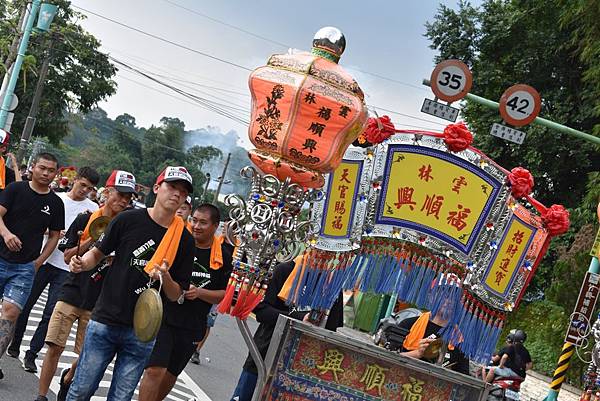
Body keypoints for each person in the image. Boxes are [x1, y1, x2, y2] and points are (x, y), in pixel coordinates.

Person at [66, 166, 195, 401]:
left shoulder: (185, 240)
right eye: (172, 187)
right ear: (157, 188)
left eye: (183, 192)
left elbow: (177, 294)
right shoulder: (128, 219)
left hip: (142, 330)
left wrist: (165, 277)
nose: (177, 194)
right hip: (106, 319)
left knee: (121, 397)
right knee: (82, 389)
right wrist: (81, 263)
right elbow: (97, 253)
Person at [35, 170, 137, 401]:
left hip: (100, 302)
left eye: (127, 198)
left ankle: (68, 377)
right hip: (72, 291)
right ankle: (41, 396)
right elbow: (67, 255)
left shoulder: (129, 228)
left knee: (86, 357)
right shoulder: (85, 218)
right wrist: (94, 237)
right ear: (107, 192)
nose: (123, 201)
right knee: (54, 347)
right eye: (119, 195)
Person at [7, 167, 100, 373]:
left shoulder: (94, 210)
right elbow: (37, 225)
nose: (85, 190)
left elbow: (95, 239)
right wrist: (56, 234)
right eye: (82, 184)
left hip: (66, 269)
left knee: (50, 314)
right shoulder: (56, 199)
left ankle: (32, 354)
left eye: (90, 188)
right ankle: (15, 343)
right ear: (74, 180)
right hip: (42, 260)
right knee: (25, 304)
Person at [139, 203, 233, 401]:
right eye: (194, 220)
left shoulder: (223, 257)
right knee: (154, 370)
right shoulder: (179, 242)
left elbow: (225, 294)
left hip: (193, 324)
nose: (197, 226)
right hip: (165, 317)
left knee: (170, 374)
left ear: (215, 226)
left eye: (203, 223)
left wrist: (200, 292)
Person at [230, 260, 344, 401]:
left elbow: (331, 331)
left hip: (303, 370)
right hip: (265, 356)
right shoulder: (285, 270)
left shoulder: (333, 285)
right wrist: (300, 317)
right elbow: (262, 311)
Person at [0, 152, 64, 380]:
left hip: (25, 267)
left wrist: (38, 262)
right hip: (0, 257)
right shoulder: (15, 190)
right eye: (43, 168)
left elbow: (55, 236)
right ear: (33, 167)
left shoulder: (55, 203)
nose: (46, 173)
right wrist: (6, 234)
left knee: (11, 313)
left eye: (51, 170)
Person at [397, 305, 470, 375]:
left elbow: (463, 377)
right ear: (432, 297)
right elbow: (388, 356)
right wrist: (417, 353)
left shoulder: (460, 340)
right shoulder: (408, 324)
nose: (448, 301)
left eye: (454, 298)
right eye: (446, 295)